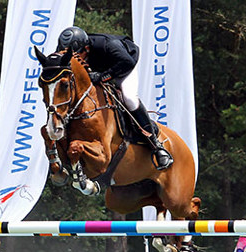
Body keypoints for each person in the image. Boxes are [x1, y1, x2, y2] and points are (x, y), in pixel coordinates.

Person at [57, 26, 173, 170]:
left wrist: (103, 76)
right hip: (99, 68)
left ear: (86, 49)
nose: (73, 60)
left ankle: (156, 144)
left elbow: (127, 62)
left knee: (129, 97)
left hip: (123, 66)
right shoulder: (66, 48)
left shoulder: (108, 45)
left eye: (76, 56)